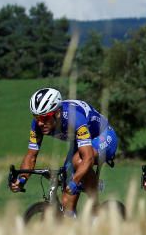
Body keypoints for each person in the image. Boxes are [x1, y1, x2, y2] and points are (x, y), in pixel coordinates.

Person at [9, 87, 118, 215]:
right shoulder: (37, 125)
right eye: (36, 117)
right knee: (66, 202)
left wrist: (75, 182)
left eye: (44, 118)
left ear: (58, 113)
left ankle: (96, 211)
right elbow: (31, 156)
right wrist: (21, 180)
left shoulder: (75, 118)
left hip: (104, 136)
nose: (40, 123)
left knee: (78, 161)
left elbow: (88, 158)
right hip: (82, 141)